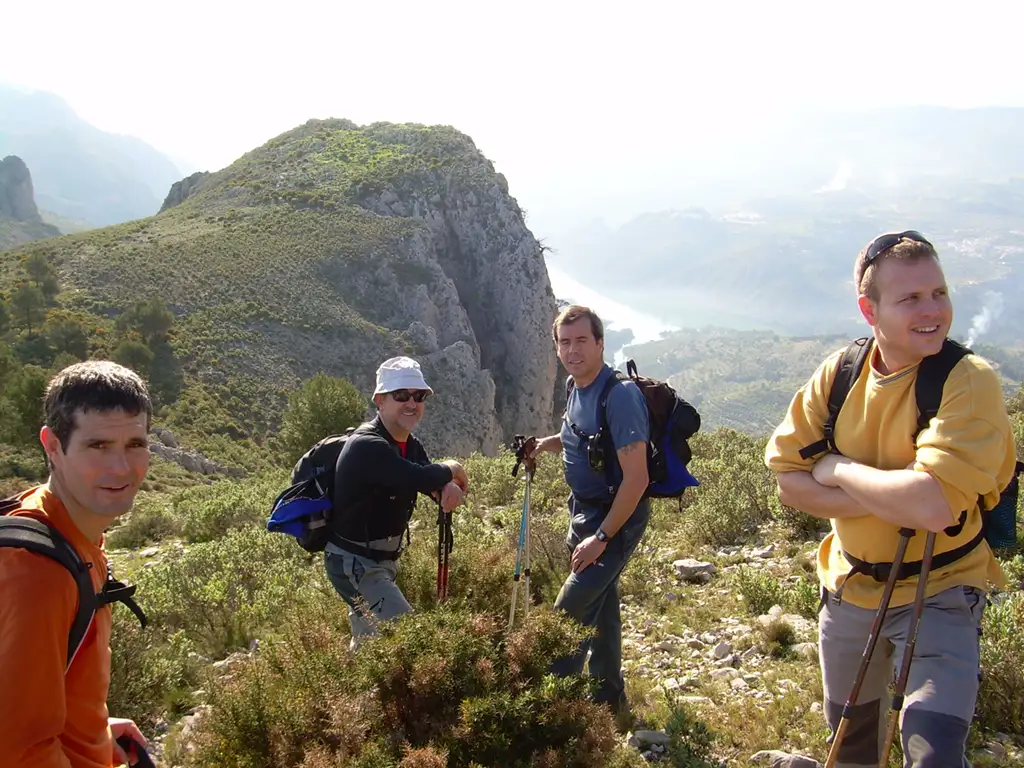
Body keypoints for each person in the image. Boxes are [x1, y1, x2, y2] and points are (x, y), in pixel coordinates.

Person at [764, 231, 1015, 768]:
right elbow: (787, 480)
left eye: (939, 293)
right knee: (853, 746)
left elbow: (932, 507)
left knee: (933, 753)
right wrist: (893, 491)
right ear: (868, 309)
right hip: (850, 590)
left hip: (942, 588)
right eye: (911, 299)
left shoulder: (967, 382)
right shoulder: (840, 374)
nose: (933, 311)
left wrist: (837, 468)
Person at [0, 360, 153, 767]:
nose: (121, 468)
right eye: (98, 446)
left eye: (134, 444)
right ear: (52, 446)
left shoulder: (66, 531)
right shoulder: (37, 571)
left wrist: (93, 733)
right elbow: (19, 754)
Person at [530, 305, 650, 719]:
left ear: (600, 343)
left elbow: (637, 480)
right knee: (602, 606)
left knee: (569, 611)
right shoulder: (574, 387)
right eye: (565, 342)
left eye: (582, 340)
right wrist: (545, 444)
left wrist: (601, 539)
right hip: (582, 513)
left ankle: (554, 714)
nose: (572, 350)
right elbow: (580, 437)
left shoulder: (620, 397)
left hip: (614, 519)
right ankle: (609, 700)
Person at [324, 356, 468, 647]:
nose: (412, 403)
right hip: (355, 563)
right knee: (409, 638)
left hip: (378, 561)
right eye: (401, 395)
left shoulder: (408, 444)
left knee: (371, 643)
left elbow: (428, 479)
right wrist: (453, 467)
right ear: (380, 400)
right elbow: (414, 476)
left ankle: (362, 689)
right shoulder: (368, 445)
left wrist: (445, 485)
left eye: (419, 396)